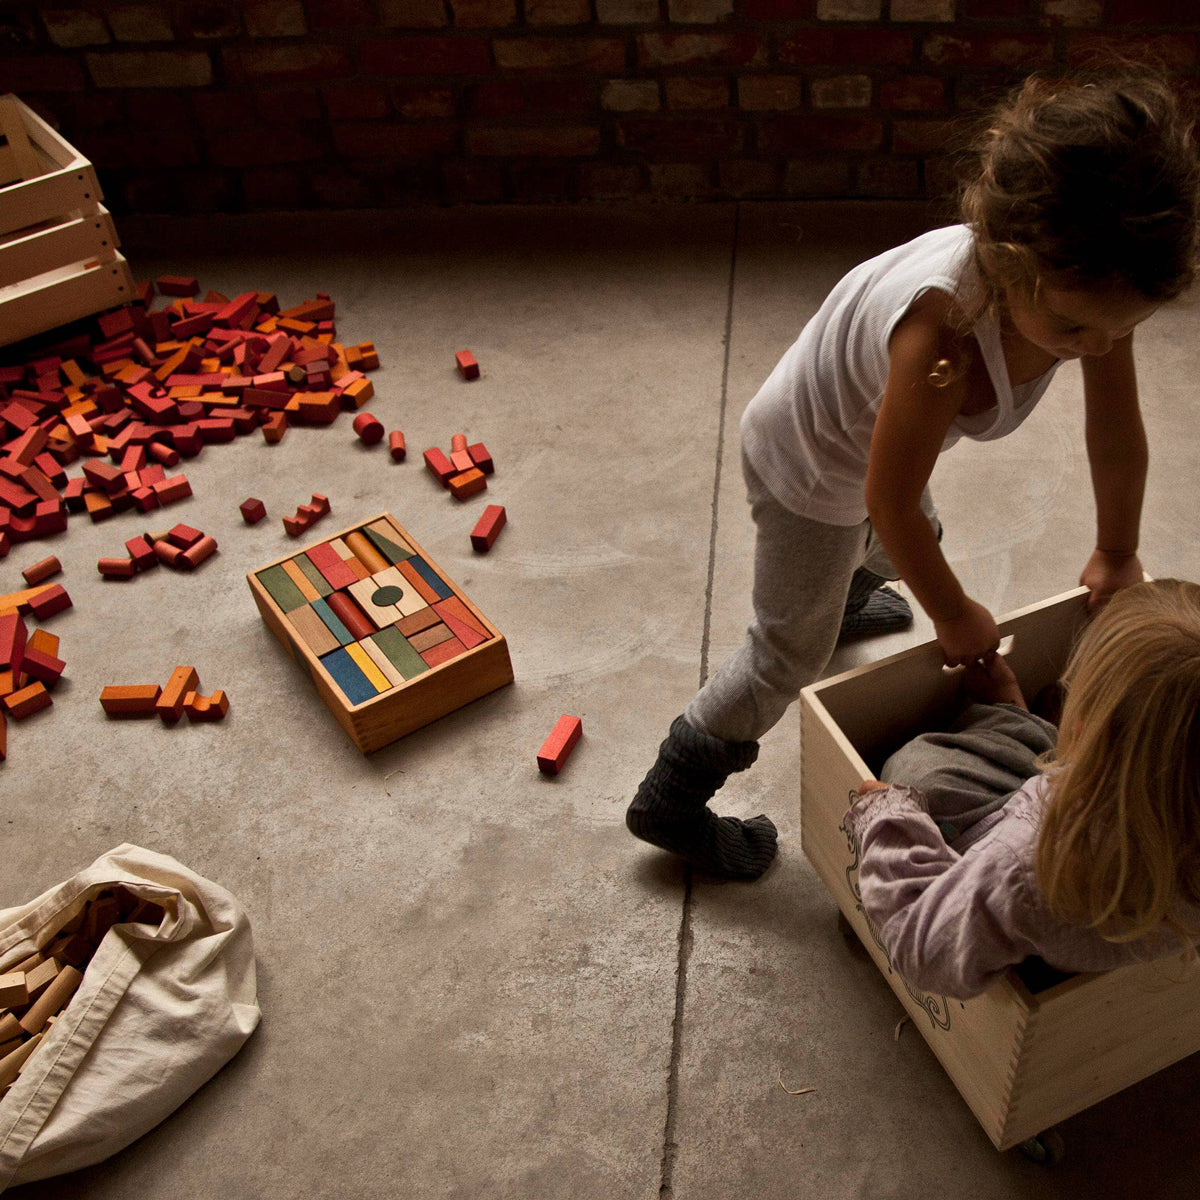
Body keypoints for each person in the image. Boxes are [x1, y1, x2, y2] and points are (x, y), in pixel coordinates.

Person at [625, 70, 1200, 881]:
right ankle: (673, 796)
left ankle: (843, 596)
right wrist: (956, 614)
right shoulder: (940, 332)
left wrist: (1117, 548)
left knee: (909, 545)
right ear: (1009, 261)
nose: (1099, 346)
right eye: (1075, 328)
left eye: (1121, 329)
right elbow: (882, 498)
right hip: (808, 459)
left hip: (870, 449)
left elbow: (1114, 431)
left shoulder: (1097, 292)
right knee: (787, 651)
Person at [845, 579, 1200, 1000]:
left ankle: (1015, 724)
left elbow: (923, 949)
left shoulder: (1030, 864)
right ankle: (1023, 726)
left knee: (916, 771)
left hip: (1015, 889)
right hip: (1096, 880)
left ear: (1085, 730)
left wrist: (888, 817)